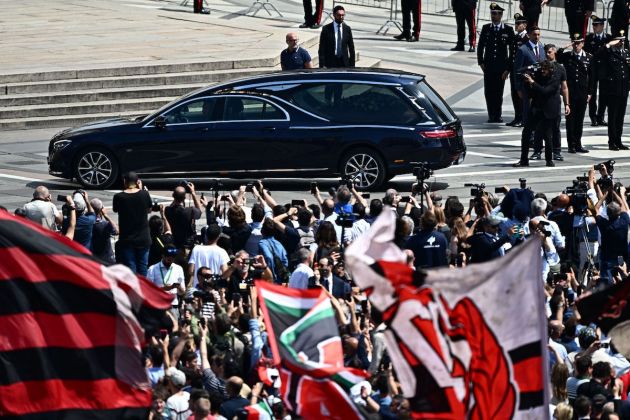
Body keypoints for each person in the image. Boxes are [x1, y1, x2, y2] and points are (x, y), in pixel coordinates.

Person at [514, 60, 562, 167]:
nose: (543, 71)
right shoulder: (538, 76)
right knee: (526, 133)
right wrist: (532, 68)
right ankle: (524, 160)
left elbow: (545, 91)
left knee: (547, 136)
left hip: (548, 111)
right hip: (536, 109)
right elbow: (520, 72)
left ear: (550, 70)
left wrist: (532, 82)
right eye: (542, 69)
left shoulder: (554, 80)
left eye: (545, 70)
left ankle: (549, 160)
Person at [530, 44, 570, 162]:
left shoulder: (560, 68)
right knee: (538, 129)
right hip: (540, 102)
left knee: (555, 128)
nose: (547, 54)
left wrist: (567, 104)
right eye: (546, 52)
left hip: (554, 103)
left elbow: (564, 87)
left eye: (550, 52)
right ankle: (537, 151)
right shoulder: (540, 66)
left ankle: (556, 151)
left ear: (555, 53)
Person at [477, 3, 514, 123]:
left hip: (501, 67)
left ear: (501, 15)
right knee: (488, 91)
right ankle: (491, 114)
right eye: (492, 13)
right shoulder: (486, 28)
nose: (494, 16)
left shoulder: (508, 30)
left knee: (498, 92)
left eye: (496, 14)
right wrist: (480, 62)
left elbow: (512, 50)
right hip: (488, 66)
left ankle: (497, 115)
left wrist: (508, 68)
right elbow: (481, 46)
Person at [556, 34, 592, 153]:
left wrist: (590, 92)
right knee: (570, 119)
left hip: (582, 92)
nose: (576, 45)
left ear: (582, 43)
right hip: (570, 93)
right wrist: (565, 46)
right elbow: (557, 55)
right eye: (574, 43)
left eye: (578, 43)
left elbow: (592, 77)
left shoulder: (588, 57)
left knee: (579, 120)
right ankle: (571, 145)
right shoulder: (567, 56)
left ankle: (578, 143)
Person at [113, 172, 153, 276]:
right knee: (143, 267)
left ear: (125, 181)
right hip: (143, 237)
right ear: (137, 182)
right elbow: (149, 210)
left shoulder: (119, 197)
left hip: (127, 238)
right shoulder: (144, 194)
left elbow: (116, 209)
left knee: (131, 267)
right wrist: (141, 189)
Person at [596, 34, 630, 151]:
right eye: (619, 41)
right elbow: (597, 55)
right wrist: (609, 44)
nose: (621, 43)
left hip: (623, 90)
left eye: (623, 41)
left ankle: (619, 141)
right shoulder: (608, 52)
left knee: (620, 117)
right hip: (612, 90)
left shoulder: (625, 53)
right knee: (613, 117)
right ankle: (612, 142)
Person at [513, 25, 545, 138]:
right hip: (527, 87)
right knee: (528, 112)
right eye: (534, 35)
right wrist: (518, 88)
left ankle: (536, 135)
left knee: (538, 111)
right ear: (529, 35)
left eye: (538, 35)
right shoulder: (523, 50)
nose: (536, 37)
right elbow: (517, 70)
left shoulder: (541, 48)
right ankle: (528, 136)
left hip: (539, 86)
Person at [584, 16, 611, 126]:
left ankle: (601, 116)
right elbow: (587, 53)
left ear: (602, 26)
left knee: (604, 94)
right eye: (593, 25)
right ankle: (593, 117)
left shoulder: (609, 38)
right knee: (592, 94)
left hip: (605, 70)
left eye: (596, 25)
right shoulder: (589, 38)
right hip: (593, 69)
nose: (594, 27)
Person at [147, 245, 186, 318]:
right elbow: (148, 291)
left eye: (173, 256)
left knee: (174, 328)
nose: (170, 258)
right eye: (168, 256)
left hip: (173, 305)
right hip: (158, 305)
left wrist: (178, 287)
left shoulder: (178, 269)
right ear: (163, 255)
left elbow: (182, 292)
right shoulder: (152, 269)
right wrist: (165, 288)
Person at [165, 182, 202, 253]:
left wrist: (176, 196)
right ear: (184, 198)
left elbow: (171, 206)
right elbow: (199, 211)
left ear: (173, 196)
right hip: (187, 245)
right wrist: (193, 193)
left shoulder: (167, 210)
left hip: (174, 244)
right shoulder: (190, 211)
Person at [507, 13, 529, 127]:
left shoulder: (527, 39)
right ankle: (517, 117)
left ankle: (523, 118)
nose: (516, 25)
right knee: (514, 94)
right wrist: (508, 69)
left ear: (524, 25)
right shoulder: (515, 38)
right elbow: (512, 55)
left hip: (522, 72)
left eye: (518, 23)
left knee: (522, 95)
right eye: (515, 23)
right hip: (514, 71)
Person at [90, 198, 118, 263]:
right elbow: (117, 231)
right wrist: (106, 216)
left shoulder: (88, 222)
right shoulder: (105, 224)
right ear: (102, 209)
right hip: (107, 258)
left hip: (94, 258)